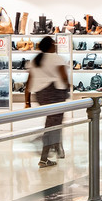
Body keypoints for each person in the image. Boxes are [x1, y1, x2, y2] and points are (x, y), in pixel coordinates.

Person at [25, 35, 69, 167]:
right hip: (55, 93)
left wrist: (27, 100)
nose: (55, 45)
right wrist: (66, 90)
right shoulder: (56, 58)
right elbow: (64, 77)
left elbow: (29, 81)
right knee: (53, 125)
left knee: (54, 122)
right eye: (54, 44)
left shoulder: (35, 60)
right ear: (50, 45)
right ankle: (43, 157)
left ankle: (57, 148)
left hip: (41, 95)